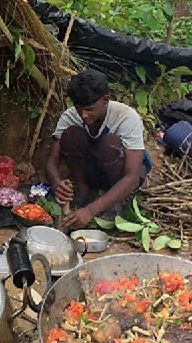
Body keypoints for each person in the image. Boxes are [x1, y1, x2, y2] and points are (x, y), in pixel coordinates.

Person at [45, 70, 151, 229]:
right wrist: (57, 184)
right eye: (78, 108)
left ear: (105, 100)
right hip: (94, 170)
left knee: (109, 144)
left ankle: (115, 201)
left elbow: (132, 177)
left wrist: (91, 210)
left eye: (89, 109)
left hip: (122, 176)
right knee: (70, 135)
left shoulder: (126, 117)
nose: (83, 115)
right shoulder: (71, 116)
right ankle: (84, 190)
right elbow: (52, 161)